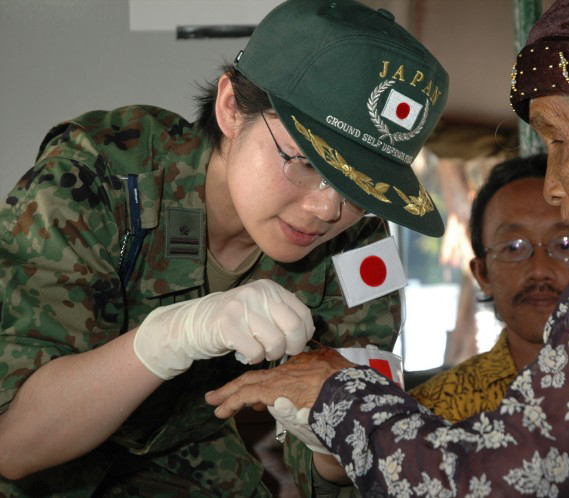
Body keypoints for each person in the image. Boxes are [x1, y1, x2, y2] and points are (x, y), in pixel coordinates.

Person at [206, 0, 569, 495]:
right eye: (303, 162)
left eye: (560, 139)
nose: (552, 184)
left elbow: (512, 483)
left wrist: (335, 396)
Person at [0, 0, 449, 496]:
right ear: (232, 108)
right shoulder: (98, 175)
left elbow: (342, 475)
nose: (328, 210)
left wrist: (334, 436)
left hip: (190, 452)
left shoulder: (356, 248)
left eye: (361, 192)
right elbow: (13, 444)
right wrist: (169, 338)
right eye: (305, 163)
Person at [409, 154, 569, 422]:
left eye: (564, 245)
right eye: (513, 248)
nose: (539, 270)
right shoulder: (430, 415)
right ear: (482, 274)